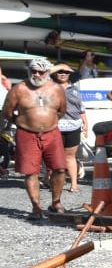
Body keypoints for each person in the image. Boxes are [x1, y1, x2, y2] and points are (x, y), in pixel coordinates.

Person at [1, 58, 68, 218]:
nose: (37, 74)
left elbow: (61, 111)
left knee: (59, 168)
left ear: (47, 73)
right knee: (31, 172)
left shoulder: (56, 89)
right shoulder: (19, 89)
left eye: (41, 71)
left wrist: (46, 122)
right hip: (27, 134)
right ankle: (36, 207)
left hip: (52, 133)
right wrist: (23, 122)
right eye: (34, 71)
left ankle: (56, 202)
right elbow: (7, 112)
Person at [51, 63, 87, 192]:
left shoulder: (75, 88)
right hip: (56, 126)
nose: (63, 74)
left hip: (73, 125)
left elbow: (81, 108)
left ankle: (74, 184)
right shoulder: (50, 87)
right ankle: (54, 183)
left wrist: (85, 124)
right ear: (55, 73)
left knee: (70, 156)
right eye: (60, 71)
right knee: (55, 156)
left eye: (66, 72)